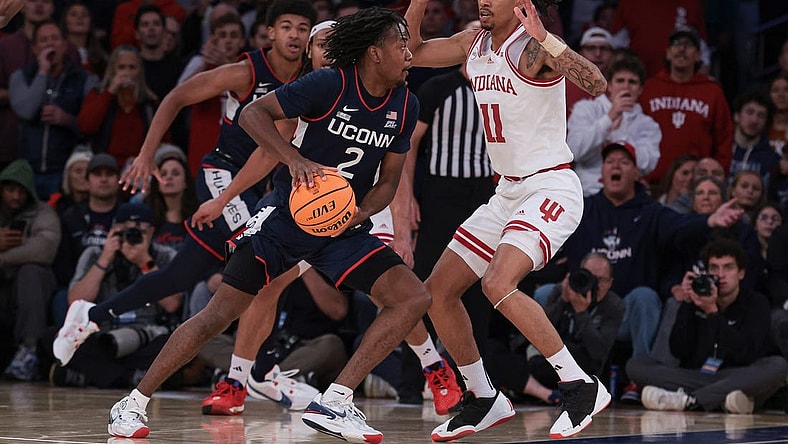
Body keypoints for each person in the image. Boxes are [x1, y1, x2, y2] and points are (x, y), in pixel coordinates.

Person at [106, 8, 428, 442]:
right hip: (284, 219)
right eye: (401, 46)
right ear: (374, 53)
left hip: (339, 225)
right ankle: (132, 404)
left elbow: (389, 179)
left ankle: (334, 402)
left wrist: (362, 212)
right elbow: (253, 114)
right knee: (218, 314)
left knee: (411, 297)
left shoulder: (406, 104)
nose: (410, 54)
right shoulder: (328, 83)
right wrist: (294, 160)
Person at [189, 18, 462, 418]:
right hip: (310, 208)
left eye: (331, 44)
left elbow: (395, 177)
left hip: (363, 204)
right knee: (265, 287)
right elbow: (267, 154)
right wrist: (226, 198)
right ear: (311, 53)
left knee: (388, 291)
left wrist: (400, 230)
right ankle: (236, 380)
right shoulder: (307, 95)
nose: (325, 50)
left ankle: (431, 365)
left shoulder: (388, 95)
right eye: (319, 44)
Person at [53, 0, 316, 369]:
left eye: (302, 28)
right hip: (222, 173)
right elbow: (176, 97)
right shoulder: (245, 72)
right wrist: (147, 153)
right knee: (266, 255)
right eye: (286, 26)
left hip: (261, 185)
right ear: (270, 33)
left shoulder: (310, 79)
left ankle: (91, 316)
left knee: (180, 275)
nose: (294, 34)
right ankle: (261, 367)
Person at [405, 0, 612, 440]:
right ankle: (483, 397)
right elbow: (412, 51)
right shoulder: (471, 42)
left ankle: (580, 386)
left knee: (497, 283)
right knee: (436, 293)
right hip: (507, 192)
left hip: (550, 185)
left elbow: (596, 82)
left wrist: (546, 38)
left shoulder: (534, 49)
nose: (483, 0)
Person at [627, 239, 788, 414]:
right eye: (714, 268)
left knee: (777, 366)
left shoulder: (757, 302)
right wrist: (687, 306)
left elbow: (745, 353)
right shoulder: (696, 301)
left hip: (737, 374)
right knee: (636, 365)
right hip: (697, 375)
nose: (720, 275)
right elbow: (679, 351)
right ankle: (724, 400)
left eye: (728, 268)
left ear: (741, 273)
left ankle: (690, 399)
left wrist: (712, 313)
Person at [50, 202, 182, 389]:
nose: (132, 237)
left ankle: (92, 376)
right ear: (114, 230)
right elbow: (76, 301)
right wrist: (105, 259)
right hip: (100, 336)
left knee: (172, 345)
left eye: (140, 231)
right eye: (126, 231)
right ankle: (131, 378)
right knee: (52, 339)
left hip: (145, 337)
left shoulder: (164, 255)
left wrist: (145, 262)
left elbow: (172, 304)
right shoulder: (95, 253)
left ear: (151, 232)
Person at [488, 253, 624, 404]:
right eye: (588, 276)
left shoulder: (614, 305)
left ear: (610, 283)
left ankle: (525, 390)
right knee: (493, 350)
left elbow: (599, 352)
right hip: (546, 360)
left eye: (600, 280)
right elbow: (536, 331)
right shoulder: (562, 291)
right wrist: (562, 302)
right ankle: (544, 394)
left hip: (582, 369)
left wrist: (581, 313)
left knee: (576, 355)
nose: (593, 283)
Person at [8, 19, 99, 200]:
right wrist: (43, 71)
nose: (50, 44)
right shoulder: (21, 77)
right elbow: (26, 110)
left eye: (55, 38)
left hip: (65, 170)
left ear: (65, 44)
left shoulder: (84, 79)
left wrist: (66, 119)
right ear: (34, 48)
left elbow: (91, 126)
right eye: (44, 40)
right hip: (28, 170)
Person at [638, 27, 733, 185]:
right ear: (668, 52)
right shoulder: (648, 89)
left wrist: (716, 178)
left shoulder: (712, 91)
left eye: (688, 45)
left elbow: (724, 139)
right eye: (676, 44)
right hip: (651, 183)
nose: (682, 49)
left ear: (698, 55)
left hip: (696, 185)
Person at [0, 159, 61, 381]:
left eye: (21, 191)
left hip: (26, 286)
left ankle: (29, 350)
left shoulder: (41, 212)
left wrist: (3, 257)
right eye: (10, 190)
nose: (15, 196)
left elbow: (45, 248)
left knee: (32, 271)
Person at [567, 56, 661, 196]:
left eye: (632, 82)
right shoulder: (586, 109)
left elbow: (647, 164)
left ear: (640, 89)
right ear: (609, 85)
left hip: (627, 195)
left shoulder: (648, 125)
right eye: (620, 81)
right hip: (587, 192)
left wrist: (620, 137)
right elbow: (574, 152)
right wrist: (608, 119)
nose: (626, 87)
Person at [77, 45, 160, 167]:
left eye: (132, 67)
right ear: (112, 70)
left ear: (140, 71)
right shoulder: (98, 95)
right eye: (121, 67)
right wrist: (110, 91)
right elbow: (86, 127)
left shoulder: (150, 103)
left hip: (139, 168)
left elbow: (162, 141)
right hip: (105, 167)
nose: (127, 73)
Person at [729, 91, 780, 187]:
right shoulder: (719, 150)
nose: (754, 120)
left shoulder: (772, 160)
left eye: (761, 116)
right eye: (749, 112)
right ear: (736, 116)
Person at [566, 26, 614, 116]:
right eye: (591, 48)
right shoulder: (566, 87)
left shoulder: (622, 85)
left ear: (613, 54)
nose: (598, 54)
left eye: (604, 49)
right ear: (580, 53)